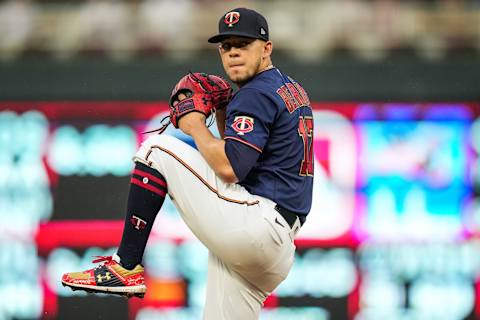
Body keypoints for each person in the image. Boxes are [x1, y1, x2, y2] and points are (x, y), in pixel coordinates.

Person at [62, 7, 314, 320]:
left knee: (155, 150)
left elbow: (229, 170)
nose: (233, 53)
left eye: (243, 44)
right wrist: (223, 113)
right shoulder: (288, 88)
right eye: (226, 46)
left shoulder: (255, 95)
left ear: (266, 48)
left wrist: (194, 123)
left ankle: (126, 266)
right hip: (275, 246)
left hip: (258, 227)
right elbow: (244, 162)